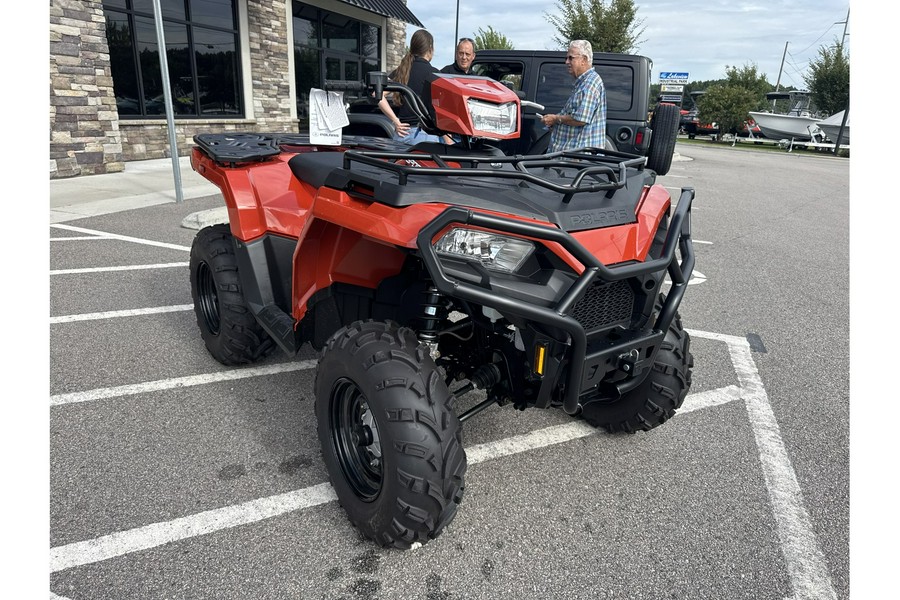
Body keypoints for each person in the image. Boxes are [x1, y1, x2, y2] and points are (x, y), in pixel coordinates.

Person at [377, 29, 452, 145]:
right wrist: (449, 142)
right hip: (425, 137)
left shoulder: (402, 70)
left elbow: (377, 94)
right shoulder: (434, 74)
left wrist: (395, 121)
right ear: (430, 49)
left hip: (401, 134)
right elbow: (442, 112)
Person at [539, 40, 606, 153]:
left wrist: (556, 119)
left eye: (571, 58)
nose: (566, 62)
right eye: (566, 58)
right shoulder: (583, 83)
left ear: (584, 60)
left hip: (578, 158)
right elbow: (574, 116)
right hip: (573, 157)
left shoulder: (589, 84)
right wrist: (555, 122)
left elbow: (580, 119)